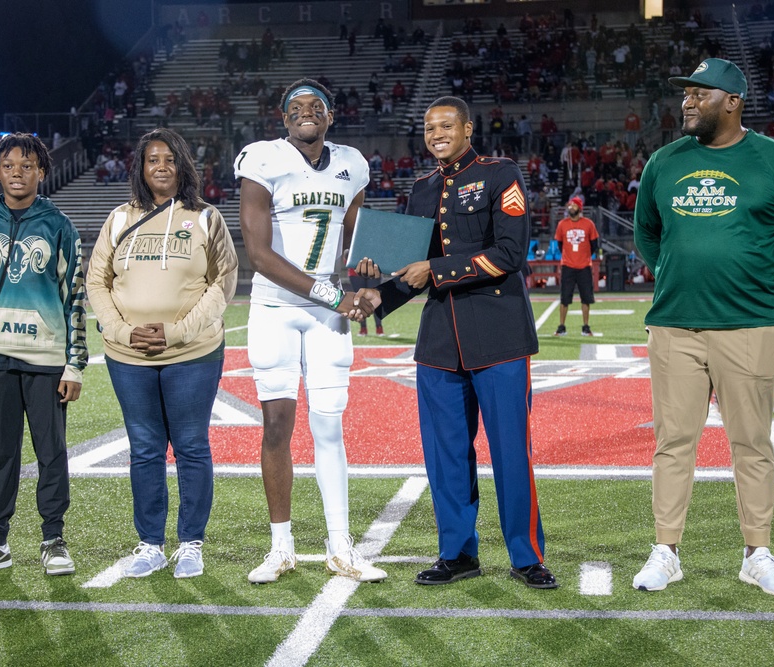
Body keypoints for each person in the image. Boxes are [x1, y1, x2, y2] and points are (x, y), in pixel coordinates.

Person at [632, 58, 774, 596]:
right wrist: (676, 273)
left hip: (750, 324)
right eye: (685, 94)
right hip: (674, 323)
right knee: (673, 442)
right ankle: (666, 551)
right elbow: (648, 236)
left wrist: (763, 287)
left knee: (752, 444)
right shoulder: (664, 163)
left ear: (733, 101)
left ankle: (757, 554)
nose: (687, 102)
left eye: (700, 93)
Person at [353, 96, 557, 589]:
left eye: (446, 125)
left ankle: (527, 556)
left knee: (511, 452)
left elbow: (510, 253)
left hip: (500, 335)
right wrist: (374, 297)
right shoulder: (421, 189)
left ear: (468, 128)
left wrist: (437, 269)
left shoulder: (500, 173)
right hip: (441, 342)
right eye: (429, 127)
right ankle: (458, 553)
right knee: (445, 455)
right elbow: (410, 272)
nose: (436, 133)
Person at [234, 78, 387, 584]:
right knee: (277, 426)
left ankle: (340, 546)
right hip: (276, 308)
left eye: (315, 106)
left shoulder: (353, 164)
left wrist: (367, 288)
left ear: (330, 116)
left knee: (329, 426)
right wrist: (333, 294)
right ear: (283, 119)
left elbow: (358, 245)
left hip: (327, 316)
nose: (306, 112)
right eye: (296, 107)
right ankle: (281, 547)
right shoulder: (262, 159)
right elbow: (257, 255)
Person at [86, 128, 238, 579]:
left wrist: (175, 332)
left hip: (193, 353)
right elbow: (97, 281)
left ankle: (191, 542)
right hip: (127, 355)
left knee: (191, 447)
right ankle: (150, 543)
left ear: (183, 165)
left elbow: (223, 282)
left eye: (169, 159)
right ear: (141, 168)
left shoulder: (207, 217)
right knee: (145, 450)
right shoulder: (118, 219)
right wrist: (122, 331)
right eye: (152, 159)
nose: (161, 166)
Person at [0, 133, 87, 577]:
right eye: (8, 166)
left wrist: (75, 364)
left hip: (46, 357)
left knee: (51, 452)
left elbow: (75, 298)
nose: (17, 174)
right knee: (1, 453)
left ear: (41, 172)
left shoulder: (59, 225)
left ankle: (53, 539)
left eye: (27, 166)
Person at [553, 195, 599, 337]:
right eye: (569, 205)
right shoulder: (562, 224)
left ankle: (585, 326)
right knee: (564, 298)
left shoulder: (589, 224)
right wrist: (569, 256)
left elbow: (594, 245)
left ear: (579, 207)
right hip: (568, 266)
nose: (570, 207)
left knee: (586, 298)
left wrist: (584, 256)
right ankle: (562, 327)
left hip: (584, 266)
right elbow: (560, 244)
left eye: (573, 205)